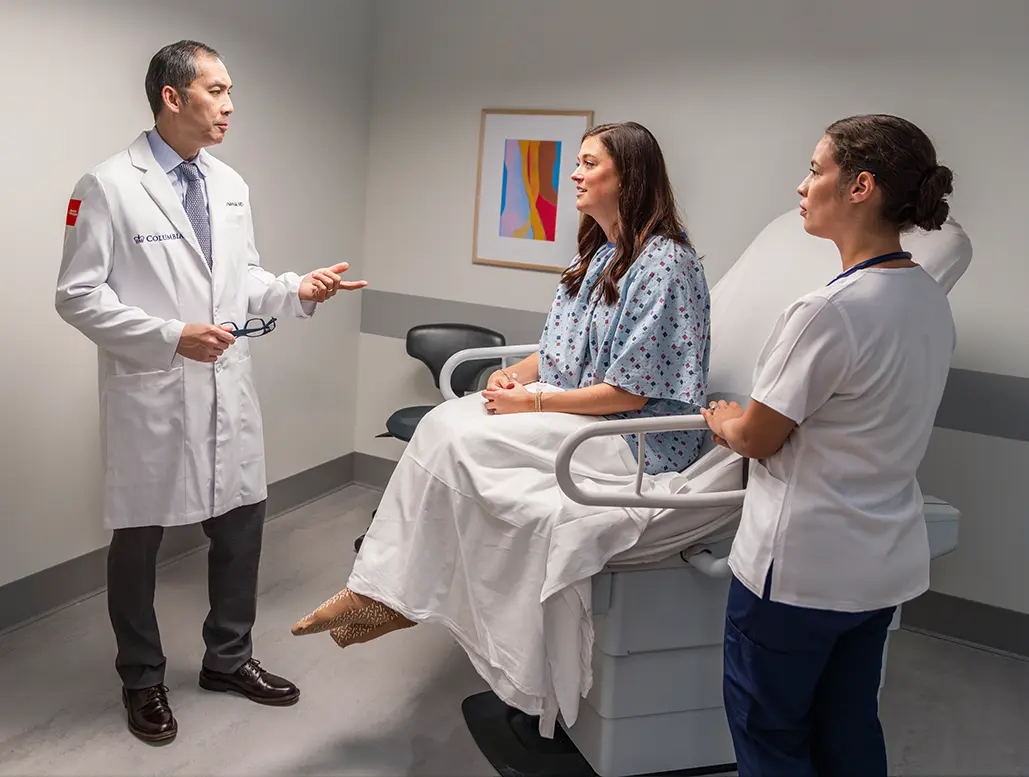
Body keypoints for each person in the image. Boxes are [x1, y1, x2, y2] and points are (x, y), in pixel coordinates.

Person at [290, 121, 711, 728]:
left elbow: (629, 392)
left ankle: (397, 592)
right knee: (444, 425)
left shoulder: (665, 264)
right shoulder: (598, 253)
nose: (575, 173)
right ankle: (387, 591)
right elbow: (559, 348)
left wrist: (533, 406)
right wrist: (516, 373)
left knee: (467, 438)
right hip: (576, 405)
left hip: (634, 437)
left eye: (590, 163)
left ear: (630, 176)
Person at [54, 40, 366, 744]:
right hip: (154, 395)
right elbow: (76, 297)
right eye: (216, 91)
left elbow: (243, 279)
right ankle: (142, 677)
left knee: (241, 527)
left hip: (227, 386)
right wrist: (170, 335)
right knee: (136, 542)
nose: (228, 106)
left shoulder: (228, 182)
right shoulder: (106, 185)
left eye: (230, 93)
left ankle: (228, 658)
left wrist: (294, 288)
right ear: (173, 97)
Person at [700, 114, 957, 777]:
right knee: (847, 728)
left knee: (772, 735)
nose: (801, 186)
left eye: (815, 170)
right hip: (878, 567)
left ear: (859, 186)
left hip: (797, 573)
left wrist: (722, 419)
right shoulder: (926, 300)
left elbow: (758, 437)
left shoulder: (824, 311)